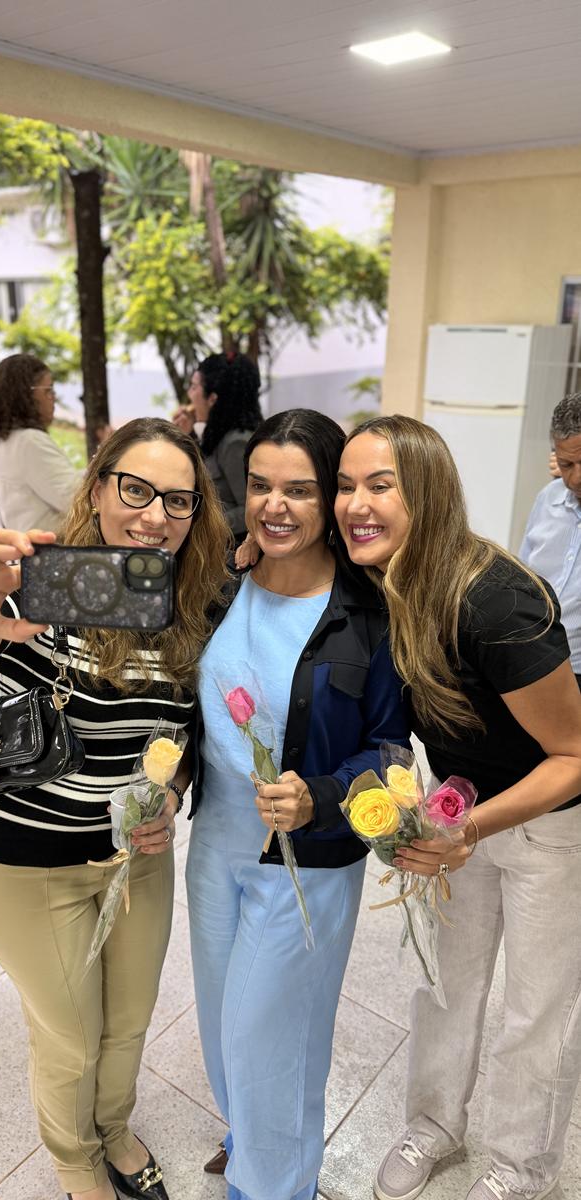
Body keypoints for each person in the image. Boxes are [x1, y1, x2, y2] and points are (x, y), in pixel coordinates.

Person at [0, 418, 230, 1200]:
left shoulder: (191, 608)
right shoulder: (32, 586)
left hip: (133, 861)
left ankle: (112, 1130)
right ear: (97, 488)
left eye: (178, 500)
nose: (154, 515)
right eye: (136, 490)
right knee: (73, 1037)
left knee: (129, 1023)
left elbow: (183, 734)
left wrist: (171, 794)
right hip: (20, 864)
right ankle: (75, 1159)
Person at [333, 415, 581, 1200]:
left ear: (427, 494)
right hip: (457, 808)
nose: (355, 504)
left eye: (380, 485)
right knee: (445, 983)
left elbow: (573, 755)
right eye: (345, 485)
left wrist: (467, 828)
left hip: (548, 822)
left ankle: (520, 1165)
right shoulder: (382, 583)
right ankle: (434, 1125)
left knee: (536, 1008)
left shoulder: (493, 602)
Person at [186, 409, 409, 1200]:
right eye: (259, 486)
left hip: (304, 865)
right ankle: (249, 1137)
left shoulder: (367, 614)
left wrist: (318, 795)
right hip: (214, 847)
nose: (273, 506)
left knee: (273, 1039)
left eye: (300, 491)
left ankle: (275, 1186)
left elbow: (389, 750)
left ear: (331, 501)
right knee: (222, 1020)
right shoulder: (218, 585)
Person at [0, 352, 83, 539]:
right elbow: (77, 501)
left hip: (21, 547)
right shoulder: (29, 442)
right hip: (47, 549)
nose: (53, 398)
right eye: (48, 390)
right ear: (25, 396)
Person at [521, 393, 581, 688]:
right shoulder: (548, 498)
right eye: (566, 464)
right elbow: (522, 581)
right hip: (532, 662)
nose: (576, 479)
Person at [173, 351, 262, 542]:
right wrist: (186, 435)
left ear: (212, 398)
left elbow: (251, 509)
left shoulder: (236, 443)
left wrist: (200, 524)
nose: (189, 394)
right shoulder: (215, 436)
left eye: (194, 387)